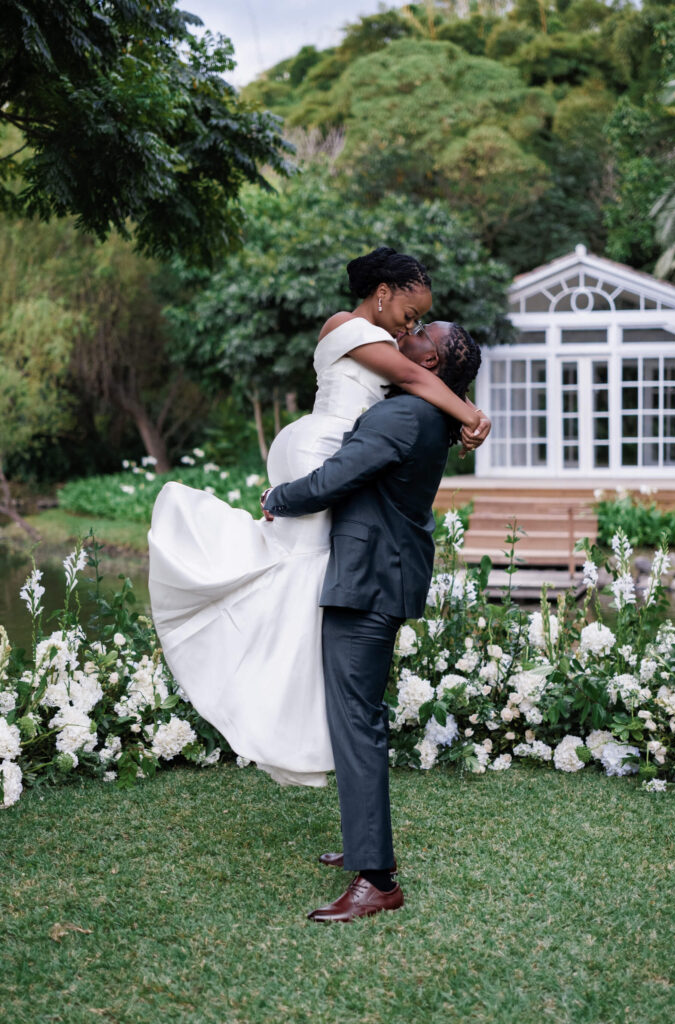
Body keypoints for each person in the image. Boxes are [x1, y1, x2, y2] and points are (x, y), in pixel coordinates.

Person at [148, 247, 489, 787]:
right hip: (321, 451)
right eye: (411, 313)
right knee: (293, 586)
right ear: (384, 293)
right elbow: (421, 379)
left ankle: (287, 705)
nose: (412, 325)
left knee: (297, 588)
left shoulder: (382, 341)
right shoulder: (349, 327)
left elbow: (418, 382)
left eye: (421, 322)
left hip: (322, 449)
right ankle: (262, 695)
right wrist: (471, 415)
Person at [261, 320, 478, 922]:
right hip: (379, 572)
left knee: (358, 722)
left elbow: (336, 479)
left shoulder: (404, 417)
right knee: (356, 717)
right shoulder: (425, 414)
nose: (407, 332)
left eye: (421, 332)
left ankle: (377, 879)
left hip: (369, 580)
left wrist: (278, 498)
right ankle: (364, 845)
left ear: (432, 361)